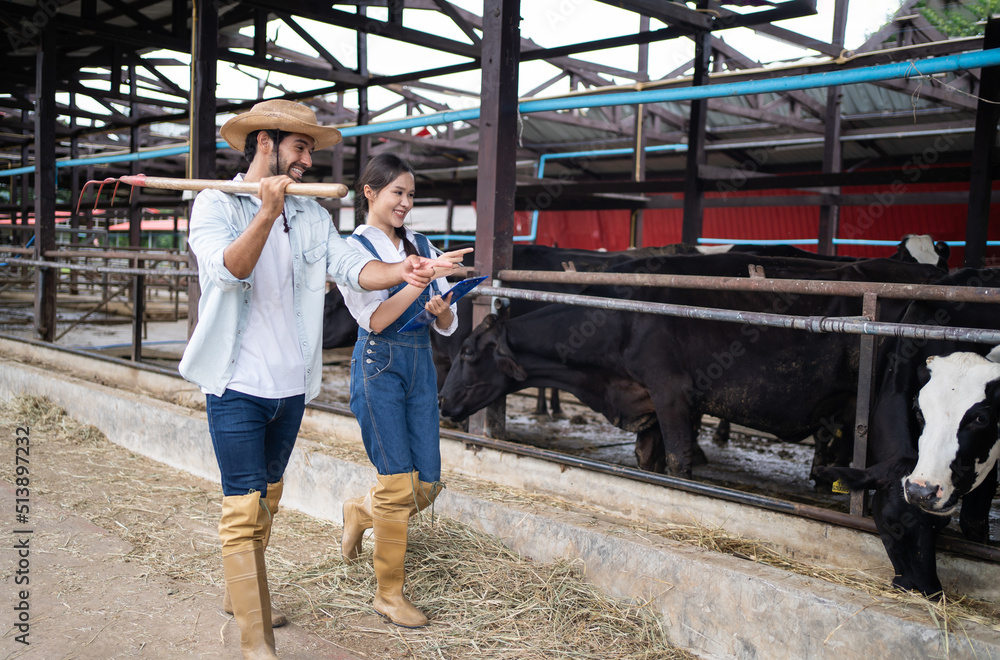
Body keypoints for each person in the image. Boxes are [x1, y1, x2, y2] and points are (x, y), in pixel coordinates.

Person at [178, 100, 468, 659]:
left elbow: (349, 267)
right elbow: (227, 269)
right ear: (265, 143)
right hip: (235, 382)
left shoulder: (311, 215)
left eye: (310, 149)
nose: (309, 160)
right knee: (241, 509)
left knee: (268, 501)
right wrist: (264, 212)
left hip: (290, 385)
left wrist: (405, 272)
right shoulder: (215, 203)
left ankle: (247, 595)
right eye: (300, 147)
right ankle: (256, 640)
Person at [338, 153, 459, 629]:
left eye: (410, 195)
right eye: (397, 193)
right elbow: (377, 318)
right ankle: (388, 594)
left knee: (425, 484)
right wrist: (419, 280)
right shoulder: (354, 251)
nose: (405, 203)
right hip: (379, 362)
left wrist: (444, 306)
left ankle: (359, 512)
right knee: (396, 484)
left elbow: (447, 321)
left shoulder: (423, 243)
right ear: (370, 192)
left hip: (420, 362)